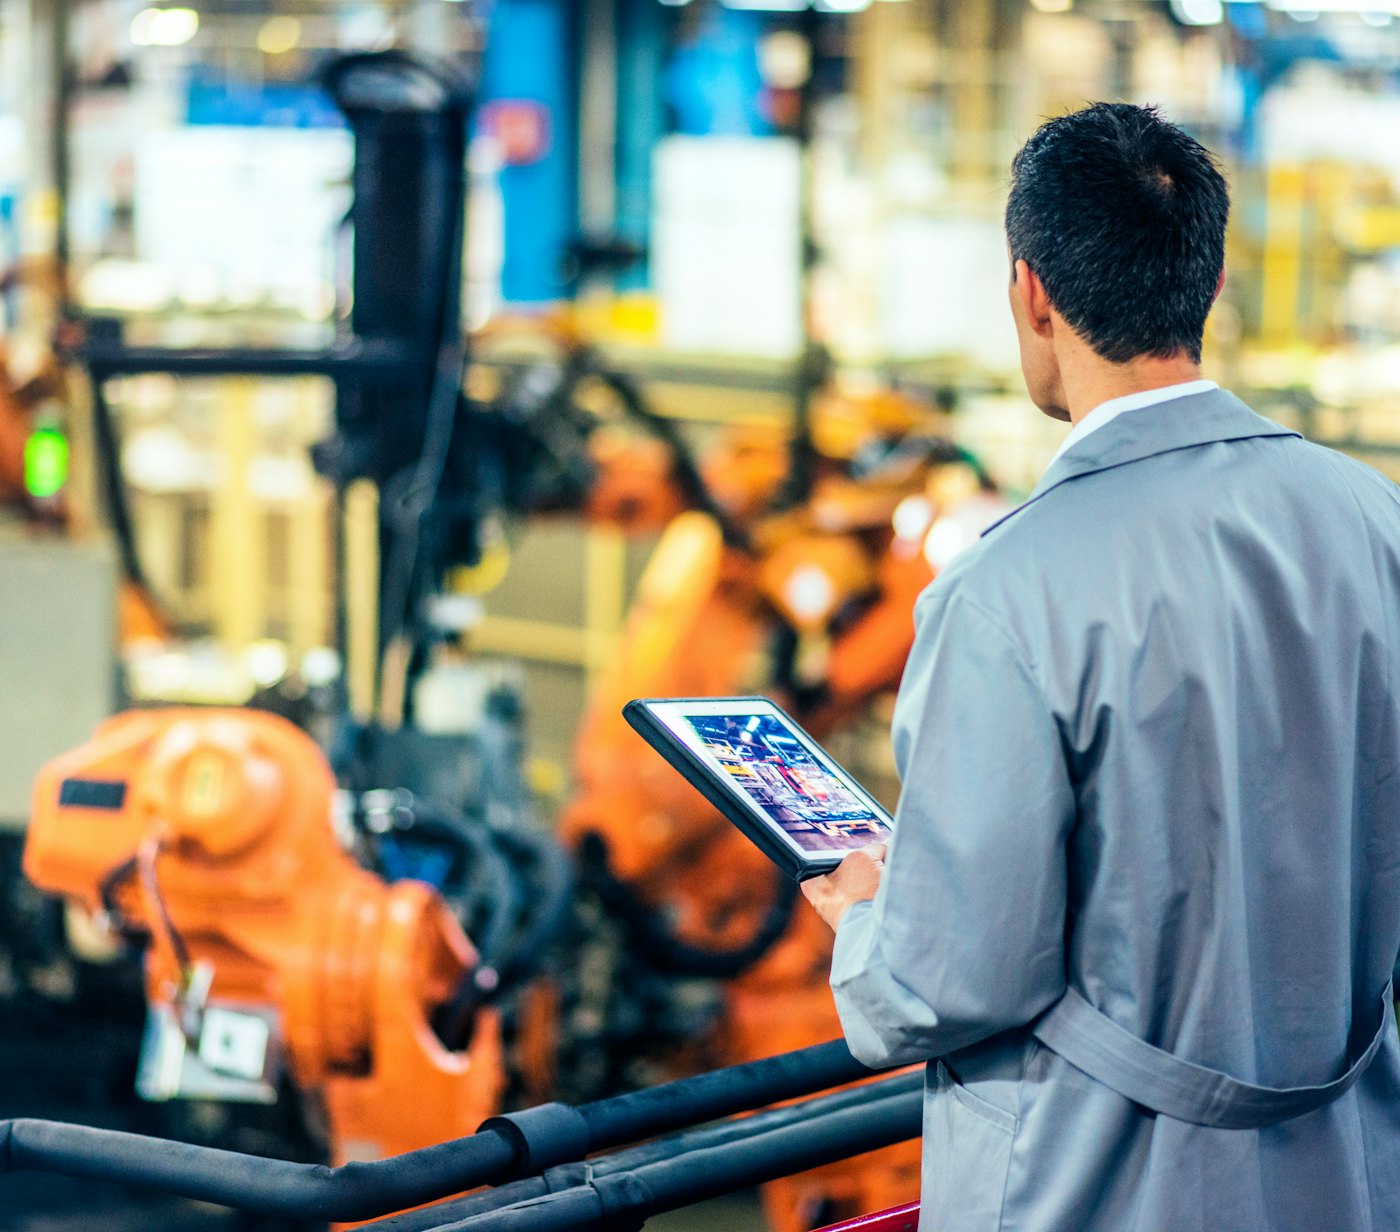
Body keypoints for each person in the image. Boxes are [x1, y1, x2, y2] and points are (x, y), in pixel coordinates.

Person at [801, 102, 1400, 1231]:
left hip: (1103, 1187)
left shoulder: (1004, 590)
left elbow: (951, 980)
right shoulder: (1369, 516)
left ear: (1030, 293)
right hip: (1343, 1167)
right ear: (1210, 281)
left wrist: (868, 917)